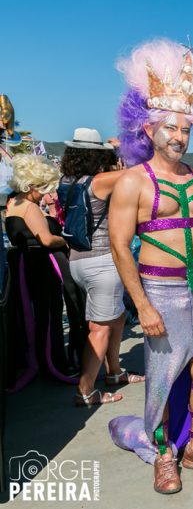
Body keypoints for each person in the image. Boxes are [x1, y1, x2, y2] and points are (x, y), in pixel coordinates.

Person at [109, 39, 193, 494]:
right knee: (162, 379)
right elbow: (120, 246)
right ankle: (164, 454)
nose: (179, 136)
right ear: (149, 129)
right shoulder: (132, 182)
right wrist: (142, 305)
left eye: (185, 128)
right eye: (170, 128)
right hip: (159, 293)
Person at [60, 127, 145, 406]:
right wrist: (123, 149)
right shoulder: (100, 181)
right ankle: (85, 391)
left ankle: (114, 371)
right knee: (100, 328)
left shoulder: (67, 181)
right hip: (102, 262)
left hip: (78, 260)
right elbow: (140, 172)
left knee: (116, 317)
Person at [5, 154, 87, 390]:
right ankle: (53, 362)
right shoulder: (30, 207)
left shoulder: (13, 204)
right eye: (42, 188)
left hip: (24, 264)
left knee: (32, 316)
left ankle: (38, 360)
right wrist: (66, 240)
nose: (44, 194)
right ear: (31, 185)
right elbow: (46, 239)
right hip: (40, 265)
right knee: (48, 315)